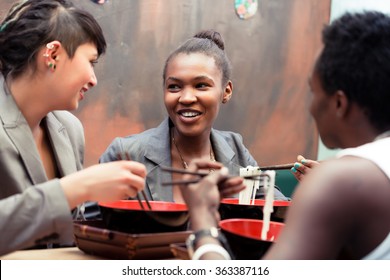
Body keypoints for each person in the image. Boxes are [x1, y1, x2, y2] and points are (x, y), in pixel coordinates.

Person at [179, 11, 390, 260]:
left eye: (313, 92)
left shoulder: (340, 181)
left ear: (339, 104)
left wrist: (203, 221)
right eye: (174, 85)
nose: (310, 107)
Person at [0, 0, 147, 255]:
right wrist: (76, 188)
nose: (93, 79)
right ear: (53, 54)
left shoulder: (69, 128)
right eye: (91, 61)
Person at [100, 30, 287, 203]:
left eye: (201, 85)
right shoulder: (126, 154)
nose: (186, 98)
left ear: (226, 91)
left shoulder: (236, 150)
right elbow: (87, 228)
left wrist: (312, 188)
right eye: (174, 86)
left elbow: (276, 209)